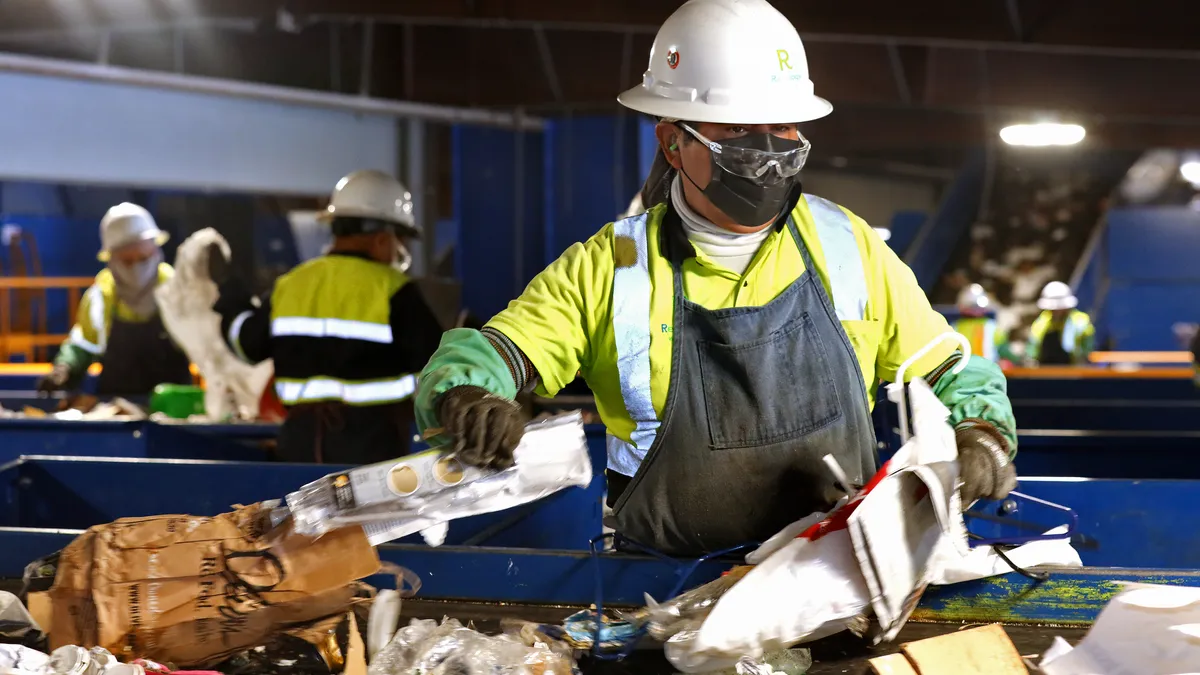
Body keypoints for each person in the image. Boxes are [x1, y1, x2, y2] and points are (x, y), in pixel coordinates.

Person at [415, 0, 1018, 556]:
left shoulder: (849, 247)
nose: (767, 151)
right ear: (673, 142)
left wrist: (982, 429)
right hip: (656, 592)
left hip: (835, 580)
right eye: (737, 133)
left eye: (783, 129)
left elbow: (950, 371)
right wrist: (469, 396)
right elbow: (497, 350)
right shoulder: (611, 268)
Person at [214, 170, 444, 464]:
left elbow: (246, 344)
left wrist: (233, 299)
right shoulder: (394, 289)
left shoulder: (291, 284)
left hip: (299, 447)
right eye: (400, 239)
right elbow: (438, 363)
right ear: (381, 239)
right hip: (373, 451)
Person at [38, 203, 191, 397]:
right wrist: (64, 368)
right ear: (110, 259)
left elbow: (205, 346)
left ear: (156, 250)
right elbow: (83, 343)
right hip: (115, 411)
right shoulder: (101, 296)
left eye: (144, 258)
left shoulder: (177, 290)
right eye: (127, 261)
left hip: (174, 411)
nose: (137, 268)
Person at [1028, 281, 1094, 366]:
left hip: (1074, 371)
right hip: (1045, 372)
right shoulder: (1041, 322)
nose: (1056, 311)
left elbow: (1087, 350)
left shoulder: (1080, 321)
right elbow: (1032, 350)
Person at [953, 283, 999, 362]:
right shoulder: (954, 327)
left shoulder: (992, 326)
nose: (974, 309)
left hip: (985, 370)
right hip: (964, 370)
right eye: (971, 306)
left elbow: (1004, 351)